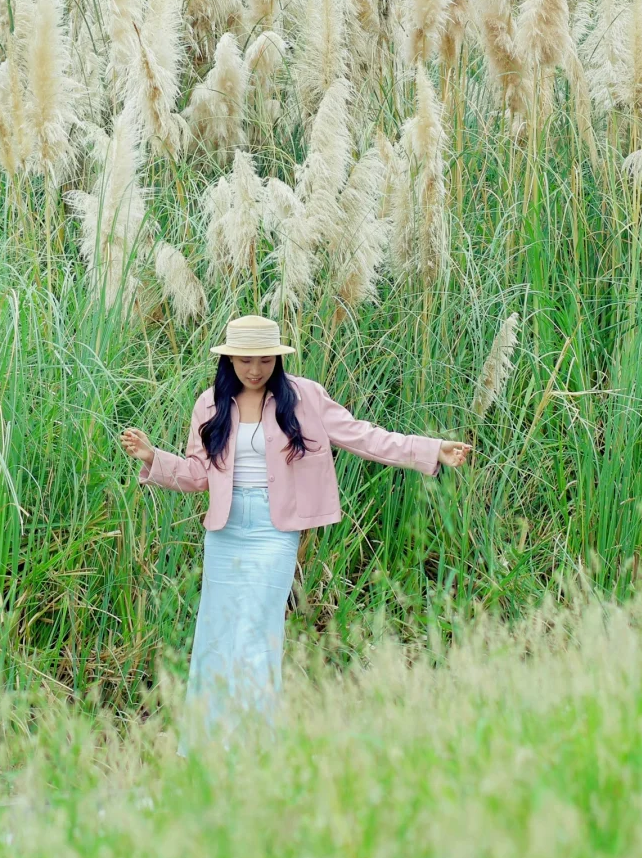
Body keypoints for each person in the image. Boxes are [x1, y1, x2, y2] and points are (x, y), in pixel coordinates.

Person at [119, 315, 472, 756]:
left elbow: (364, 436)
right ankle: (207, 746)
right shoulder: (208, 405)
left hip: (274, 530)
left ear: (278, 359)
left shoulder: (304, 397)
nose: (254, 370)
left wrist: (430, 449)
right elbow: (196, 475)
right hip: (225, 533)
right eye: (245, 360)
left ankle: (251, 748)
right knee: (217, 633)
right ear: (228, 359)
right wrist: (154, 456)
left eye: (265, 360)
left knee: (255, 632)